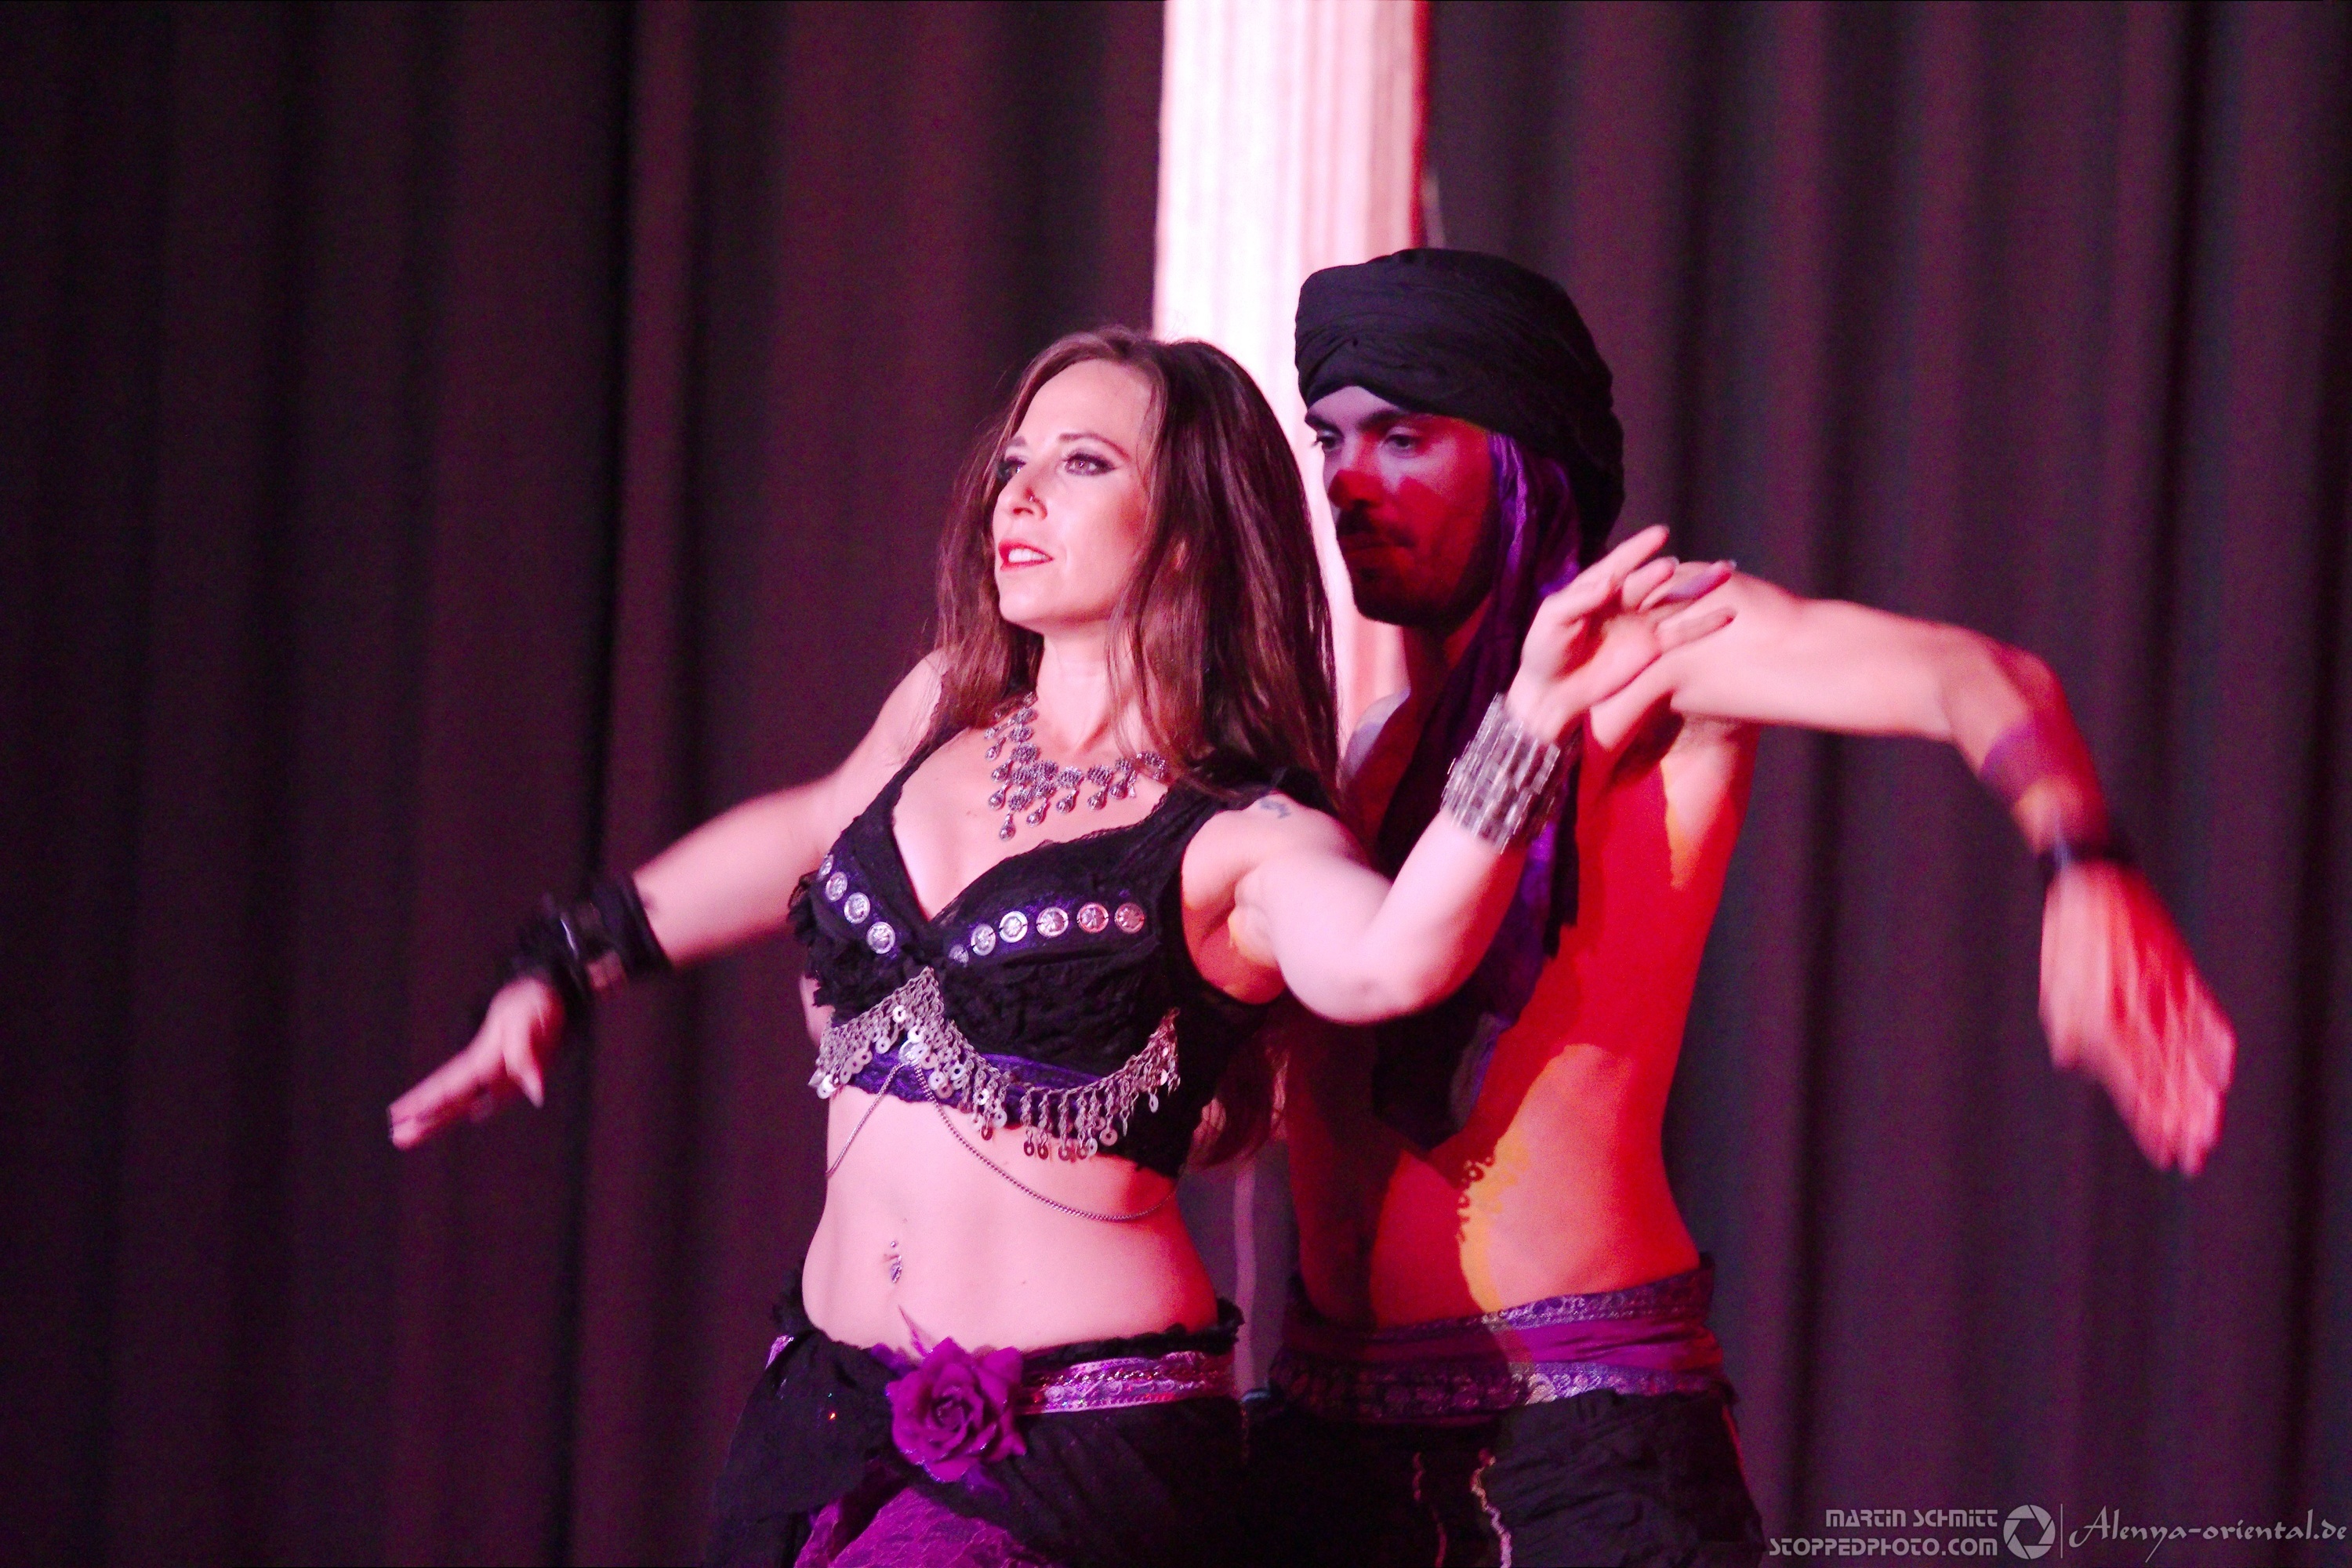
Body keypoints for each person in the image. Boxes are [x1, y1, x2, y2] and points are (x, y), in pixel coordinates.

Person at [387, 326, 1736, 1568]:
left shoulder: (1241, 833)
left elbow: (1388, 960)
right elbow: (800, 832)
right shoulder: (938, 710)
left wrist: (1525, 723)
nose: (1017, 496)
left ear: (1193, 529)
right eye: (1014, 462)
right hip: (823, 1411)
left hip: (1067, 1447)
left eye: (1081, 463)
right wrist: (562, 962)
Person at [1243, 249, 2238, 1568]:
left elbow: (1975, 679)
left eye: (1405, 437)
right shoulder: (1366, 752)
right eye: (1330, 440)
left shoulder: (1650, 656)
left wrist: (2087, 865)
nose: (1349, 481)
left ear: (1521, 455)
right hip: (1327, 1436)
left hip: (1574, 1436)